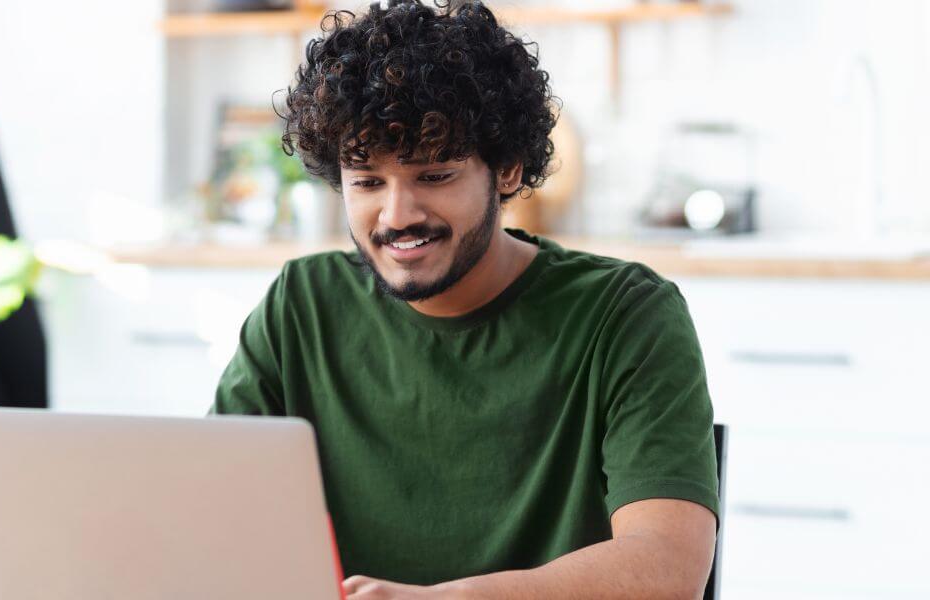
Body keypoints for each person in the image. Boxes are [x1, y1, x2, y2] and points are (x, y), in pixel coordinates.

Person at [212, 1, 719, 598]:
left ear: (506, 170)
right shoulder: (301, 306)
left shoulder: (626, 315)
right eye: (368, 182)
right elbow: (212, 520)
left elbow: (666, 566)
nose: (397, 215)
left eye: (434, 176)